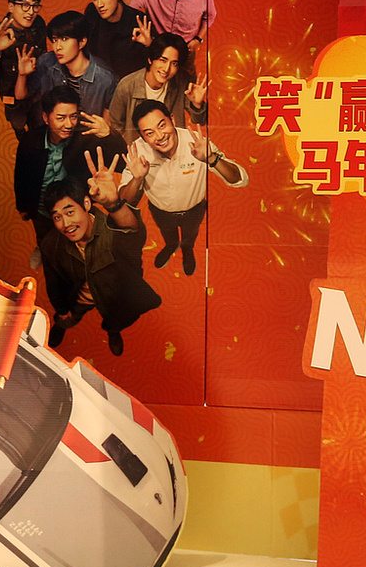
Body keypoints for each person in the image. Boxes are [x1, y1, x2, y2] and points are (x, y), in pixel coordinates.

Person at [39, 158, 162, 355]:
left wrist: (113, 204)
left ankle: (113, 332)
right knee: (68, 317)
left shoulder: (112, 231)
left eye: (70, 212)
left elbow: (131, 231)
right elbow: (53, 282)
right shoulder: (50, 244)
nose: (65, 224)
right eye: (57, 217)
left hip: (115, 298)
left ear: (86, 204)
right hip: (80, 298)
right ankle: (62, 325)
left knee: (116, 320)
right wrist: (61, 309)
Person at [122, 101, 246, 277]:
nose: (160, 136)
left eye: (162, 125)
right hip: (160, 211)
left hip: (194, 210)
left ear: (172, 119)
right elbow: (123, 201)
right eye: (149, 133)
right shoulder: (137, 151)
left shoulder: (196, 142)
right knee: (168, 234)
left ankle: (187, 251)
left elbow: (240, 179)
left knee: (190, 236)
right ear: (141, 136)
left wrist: (212, 159)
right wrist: (137, 179)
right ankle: (171, 245)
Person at [14, 87, 90, 241]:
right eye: (61, 118)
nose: (69, 124)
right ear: (46, 118)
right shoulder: (30, 141)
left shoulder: (84, 140)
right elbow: (21, 176)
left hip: (75, 213)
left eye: (73, 117)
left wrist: (108, 133)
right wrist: (22, 206)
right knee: (47, 245)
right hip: (42, 212)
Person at [18, 9, 118, 126]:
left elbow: (107, 125)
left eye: (64, 39)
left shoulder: (106, 79)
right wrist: (22, 75)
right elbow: (20, 95)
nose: (58, 47)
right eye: (55, 40)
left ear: (82, 42)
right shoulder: (46, 62)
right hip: (53, 132)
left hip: (86, 134)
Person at [109, 33, 209, 146]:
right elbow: (116, 124)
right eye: (163, 60)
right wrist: (131, 146)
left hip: (171, 147)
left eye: (174, 63)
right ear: (150, 59)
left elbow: (200, 120)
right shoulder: (127, 85)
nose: (166, 69)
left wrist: (197, 104)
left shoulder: (182, 82)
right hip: (139, 150)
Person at [84, 0, 154, 76]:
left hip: (129, 82)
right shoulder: (91, 13)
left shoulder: (140, 21)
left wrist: (149, 45)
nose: (99, 4)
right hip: (99, 80)